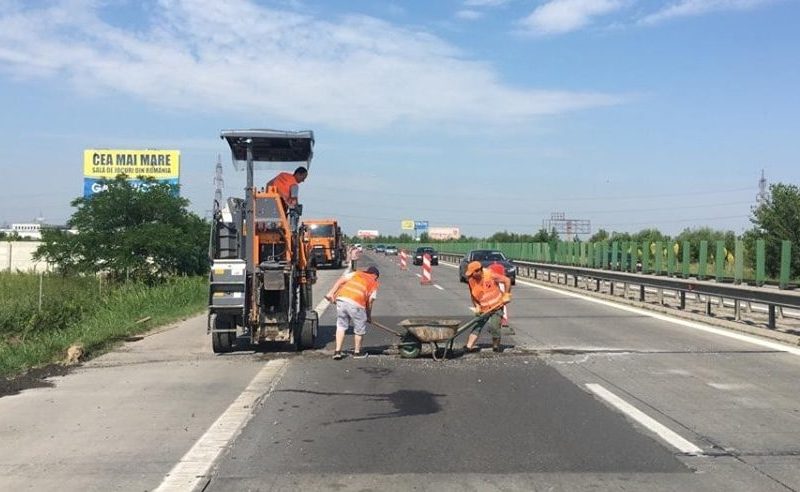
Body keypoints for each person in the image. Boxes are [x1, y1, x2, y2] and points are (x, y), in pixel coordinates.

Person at [325, 266, 380, 360]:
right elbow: (370, 301)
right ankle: (357, 353)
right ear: (375, 275)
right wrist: (368, 316)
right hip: (357, 304)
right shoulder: (374, 282)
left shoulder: (357, 273)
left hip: (341, 299)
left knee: (341, 326)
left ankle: (337, 352)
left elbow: (341, 280)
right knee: (359, 329)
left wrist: (331, 293)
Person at [464, 261, 511, 353]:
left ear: (478, 271)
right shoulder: (471, 280)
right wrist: (477, 306)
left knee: (495, 326)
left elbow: (507, 280)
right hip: (483, 308)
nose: (471, 275)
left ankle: (496, 345)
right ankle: (468, 346)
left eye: (472, 273)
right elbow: (472, 295)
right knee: (478, 326)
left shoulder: (490, 275)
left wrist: (506, 295)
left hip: (496, 306)